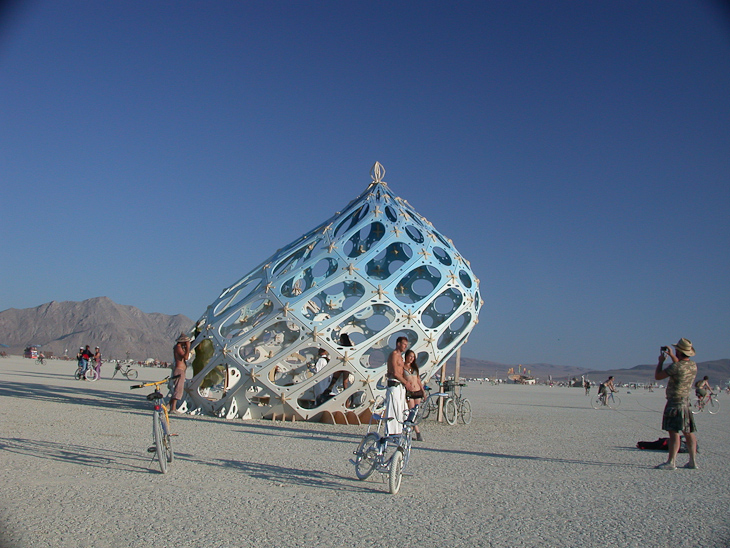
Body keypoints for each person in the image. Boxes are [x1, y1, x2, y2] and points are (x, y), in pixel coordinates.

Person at [654, 338, 698, 470]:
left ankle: (671, 461)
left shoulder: (676, 366)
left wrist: (660, 362)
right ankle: (692, 461)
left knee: (673, 432)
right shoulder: (693, 365)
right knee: (688, 431)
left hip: (674, 401)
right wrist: (673, 356)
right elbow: (680, 366)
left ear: (679, 351)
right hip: (685, 401)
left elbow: (658, 376)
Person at [383, 336, 414, 437]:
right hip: (394, 384)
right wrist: (406, 383)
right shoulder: (394, 355)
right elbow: (395, 373)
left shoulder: (401, 356)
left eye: (406, 344)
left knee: (401, 408)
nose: (405, 346)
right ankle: (391, 431)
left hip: (400, 386)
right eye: (404, 344)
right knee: (393, 407)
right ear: (398, 344)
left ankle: (399, 430)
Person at [404, 350, 425, 442]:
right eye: (410, 356)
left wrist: (423, 392)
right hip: (410, 392)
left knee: (415, 412)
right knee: (412, 413)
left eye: (413, 357)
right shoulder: (403, 367)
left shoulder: (415, 368)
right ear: (406, 356)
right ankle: (418, 432)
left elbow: (418, 380)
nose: (411, 358)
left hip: (417, 392)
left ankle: (410, 431)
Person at [170, 333, 192, 414]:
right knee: (178, 389)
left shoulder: (179, 347)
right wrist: (188, 347)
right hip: (179, 370)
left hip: (181, 370)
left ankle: (170, 406)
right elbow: (185, 357)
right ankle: (173, 408)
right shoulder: (178, 347)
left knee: (178, 389)